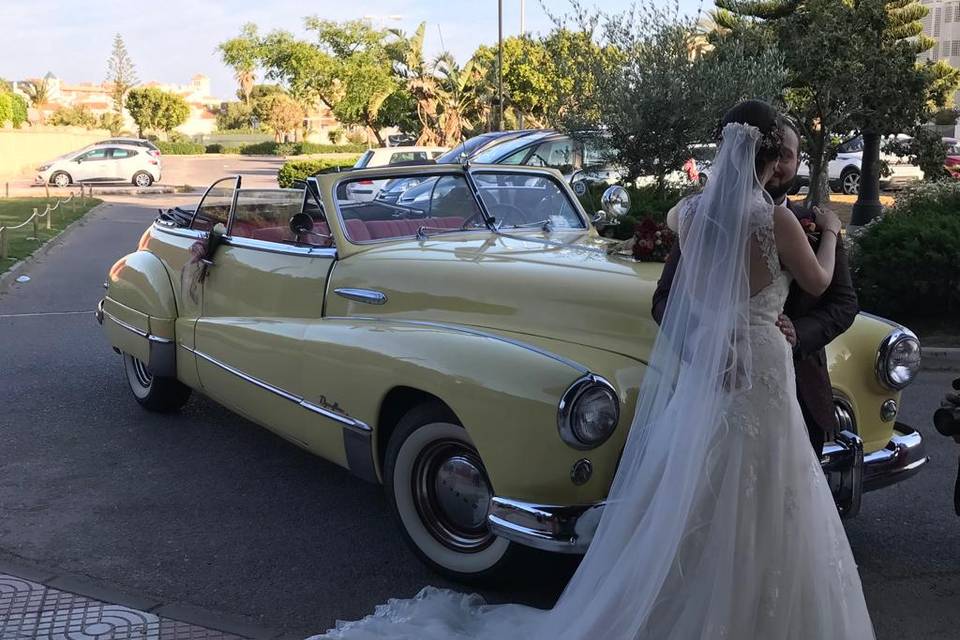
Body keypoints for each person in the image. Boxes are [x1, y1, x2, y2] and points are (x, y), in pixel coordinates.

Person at [311, 100, 876, 639]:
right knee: (770, 484)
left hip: (717, 358)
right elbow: (821, 283)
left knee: (702, 481)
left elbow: (683, 296)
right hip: (763, 357)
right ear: (774, 159)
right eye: (791, 155)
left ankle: (686, 601)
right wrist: (830, 231)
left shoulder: (692, 212)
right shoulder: (776, 219)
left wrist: (711, 339)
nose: (795, 164)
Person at [653, 117, 859, 457]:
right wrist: (705, 347)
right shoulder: (791, 223)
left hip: (800, 391)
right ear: (770, 159)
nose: (780, 165)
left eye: (789, 156)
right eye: (777, 155)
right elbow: (664, 298)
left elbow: (844, 303)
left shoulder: (694, 213)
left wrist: (799, 333)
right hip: (714, 382)